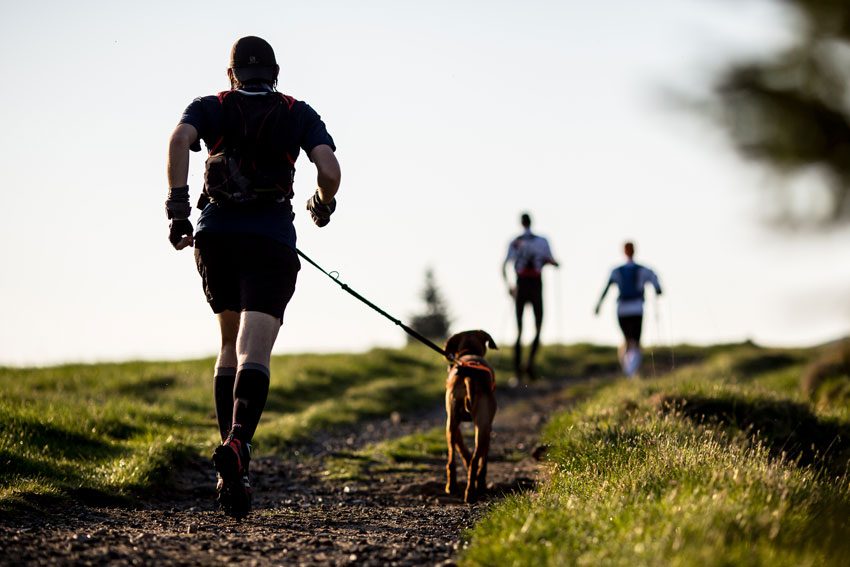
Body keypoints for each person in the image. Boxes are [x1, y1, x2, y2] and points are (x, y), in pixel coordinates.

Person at [165, 36, 340, 518]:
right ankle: (239, 443)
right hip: (270, 241)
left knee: (228, 346)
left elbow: (179, 141)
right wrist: (321, 206)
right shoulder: (297, 112)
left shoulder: (211, 106)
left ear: (232, 73)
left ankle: (230, 471)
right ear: (277, 72)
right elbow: (329, 167)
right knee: (254, 349)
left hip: (216, 236)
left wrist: (178, 209)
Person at [502, 213, 559, 381]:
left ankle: (519, 371)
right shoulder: (542, 241)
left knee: (519, 329)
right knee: (538, 326)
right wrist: (554, 264)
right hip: (535, 283)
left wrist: (509, 286)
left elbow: (504, 265)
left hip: (520, 284)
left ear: (521, 223)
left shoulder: (514, 242)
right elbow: (551, 260)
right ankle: (529, 365)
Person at [594, 241, 662, 377]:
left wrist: (599, 305)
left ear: (624, 251)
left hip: (622, 309)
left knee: (627, 339)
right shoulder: (644, 270)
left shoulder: (616, 271)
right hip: (637, 307)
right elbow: (657, 285)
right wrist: (658, 291)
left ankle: (628, 369)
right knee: (636, 341)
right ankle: (631, 371)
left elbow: (606, 288)